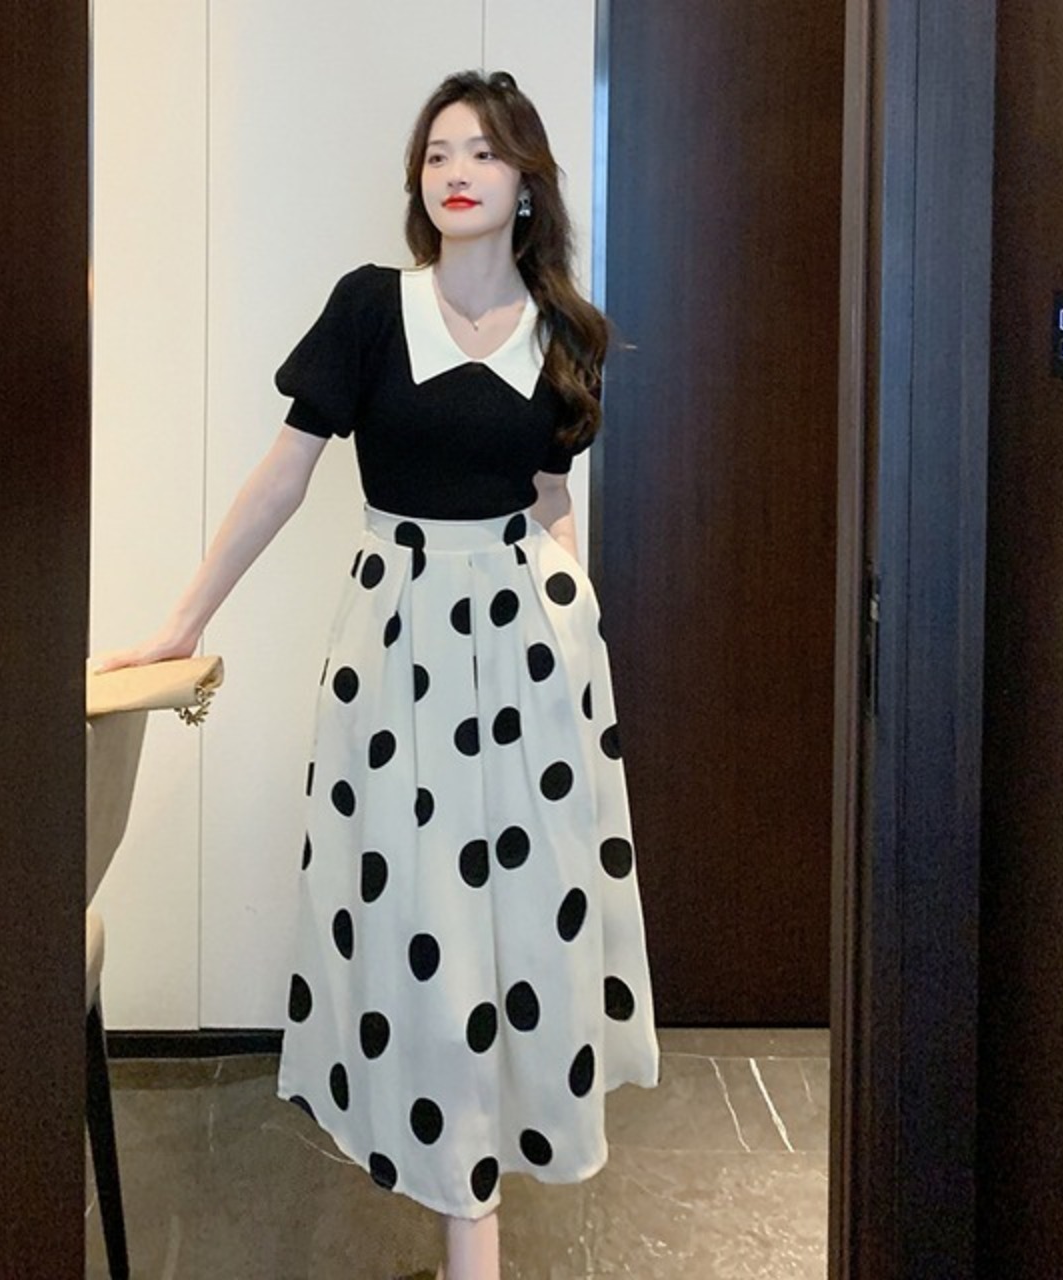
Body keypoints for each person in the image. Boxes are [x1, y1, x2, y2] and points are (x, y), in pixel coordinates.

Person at [99, 69, 660, 1280]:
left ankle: (474, 1225)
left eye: (483, 151)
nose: (455, 169)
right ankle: (467, 1219)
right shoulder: (369, 307)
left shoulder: (566, 330)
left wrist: (579, 625)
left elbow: (551, 498)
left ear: (525, 182)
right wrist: (178, 623)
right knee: (425, 929)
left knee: (520, 927)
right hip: (398, 655)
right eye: (437, 150)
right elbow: (283, 476)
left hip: (531, 657)